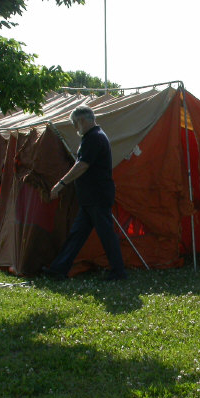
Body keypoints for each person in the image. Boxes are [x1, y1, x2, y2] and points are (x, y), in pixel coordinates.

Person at [42, 105, 128, 280]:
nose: (75, 127)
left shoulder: (94, 138)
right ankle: (59, 269)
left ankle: (118, 272)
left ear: (82, 120)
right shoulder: (92, 137)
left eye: (75, 123)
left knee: (106, 234)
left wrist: (60, 184)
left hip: (97, 196)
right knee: (77, 234)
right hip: (90, 197)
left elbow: (82, 165)